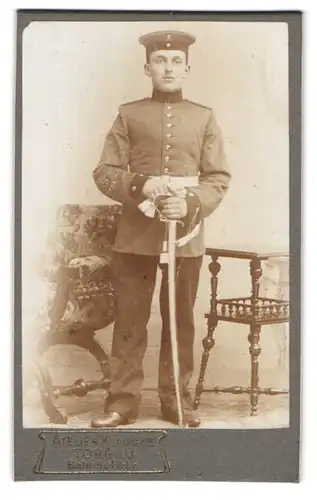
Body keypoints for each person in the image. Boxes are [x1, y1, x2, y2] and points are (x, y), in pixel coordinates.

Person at [91, 30, 231, 428]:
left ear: (187, 68)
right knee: (130, 320)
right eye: (160, 61)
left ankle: (176, 401)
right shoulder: (129, 114)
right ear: (147, 67)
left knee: (180, 320)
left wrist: (187, 203)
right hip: (135, 235)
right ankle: (122, 403)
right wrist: (142, 185)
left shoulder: (203, 117)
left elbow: (218, 177)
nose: (168, 68)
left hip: (185, 234)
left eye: (175, 61)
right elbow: (105, 171)